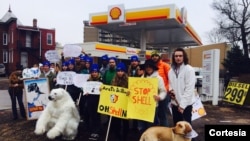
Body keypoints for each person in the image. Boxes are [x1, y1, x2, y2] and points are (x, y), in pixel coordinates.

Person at [168, 47, 196, 140]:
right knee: (177, 128)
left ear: (184, 57)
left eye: (180, 56)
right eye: (176, 56)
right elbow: (170, 85)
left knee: (187, 129)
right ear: (173, 57)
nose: (178, 58)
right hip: (175, 104)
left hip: (186, 105)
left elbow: (189, 89)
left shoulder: (189, 70)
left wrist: (182, 105)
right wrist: (171, 91)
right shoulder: (171, 71)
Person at [137, 59, 167, 134]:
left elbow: (163, 91)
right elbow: (137, 89)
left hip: (153, 106)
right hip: (142, 105)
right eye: (147, 67)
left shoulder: (159, 78)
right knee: (141, 125)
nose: (148, 68)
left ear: (153, 67)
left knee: (152, 126)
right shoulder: (142, 78)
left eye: (150, 66)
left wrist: (159, 97)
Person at [150, 50, 171, 127]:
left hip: (163, 93)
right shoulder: (151, 67)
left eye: (156, 56)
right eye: (153, 56)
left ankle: (165, 133)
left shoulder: (165, 65)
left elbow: (171, 80)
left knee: (162, 114)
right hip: (153, 94)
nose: (154, 57)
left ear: (159, 57)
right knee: (154, 114)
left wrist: (166, 89)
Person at [110, 62, 130, 141]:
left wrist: (129, 92)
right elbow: (110, 90)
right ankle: (117, 136)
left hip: (125, 104)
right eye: (118, 71)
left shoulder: (129, 80)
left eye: (122, 71)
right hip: (116, 104)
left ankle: (125, 136)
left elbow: (132, 91)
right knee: (116, 122)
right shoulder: (114, 80)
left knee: (125, 122)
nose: (120, 72)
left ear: (124, 71)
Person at [85, 64, 102, 141]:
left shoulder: (101, 81)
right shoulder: (88, 81)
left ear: (98, 73)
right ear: (91, 73)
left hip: (98, 101)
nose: (94, 73)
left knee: (97, 116)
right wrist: (86, 92)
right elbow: (84, 90)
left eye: (96, 72)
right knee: (91, 115)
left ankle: (97, 131)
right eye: (93, 72)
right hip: (90, 101)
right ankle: (93, 130)